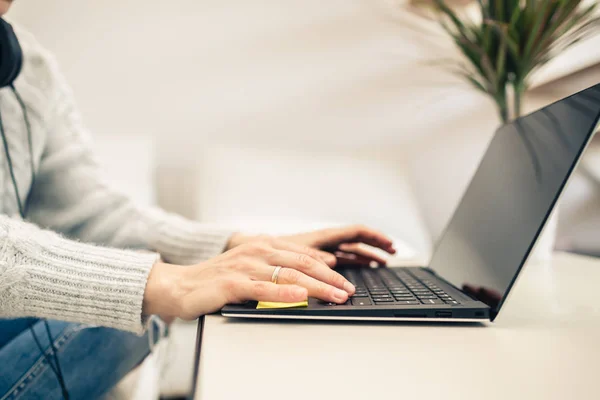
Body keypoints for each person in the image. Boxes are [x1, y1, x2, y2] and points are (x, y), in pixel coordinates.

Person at [0, 1, 396, 398]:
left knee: (123, 311)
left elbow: (89, 211)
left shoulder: (28, 66)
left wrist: (235, 248)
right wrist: (159, 283)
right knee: (126, 312)